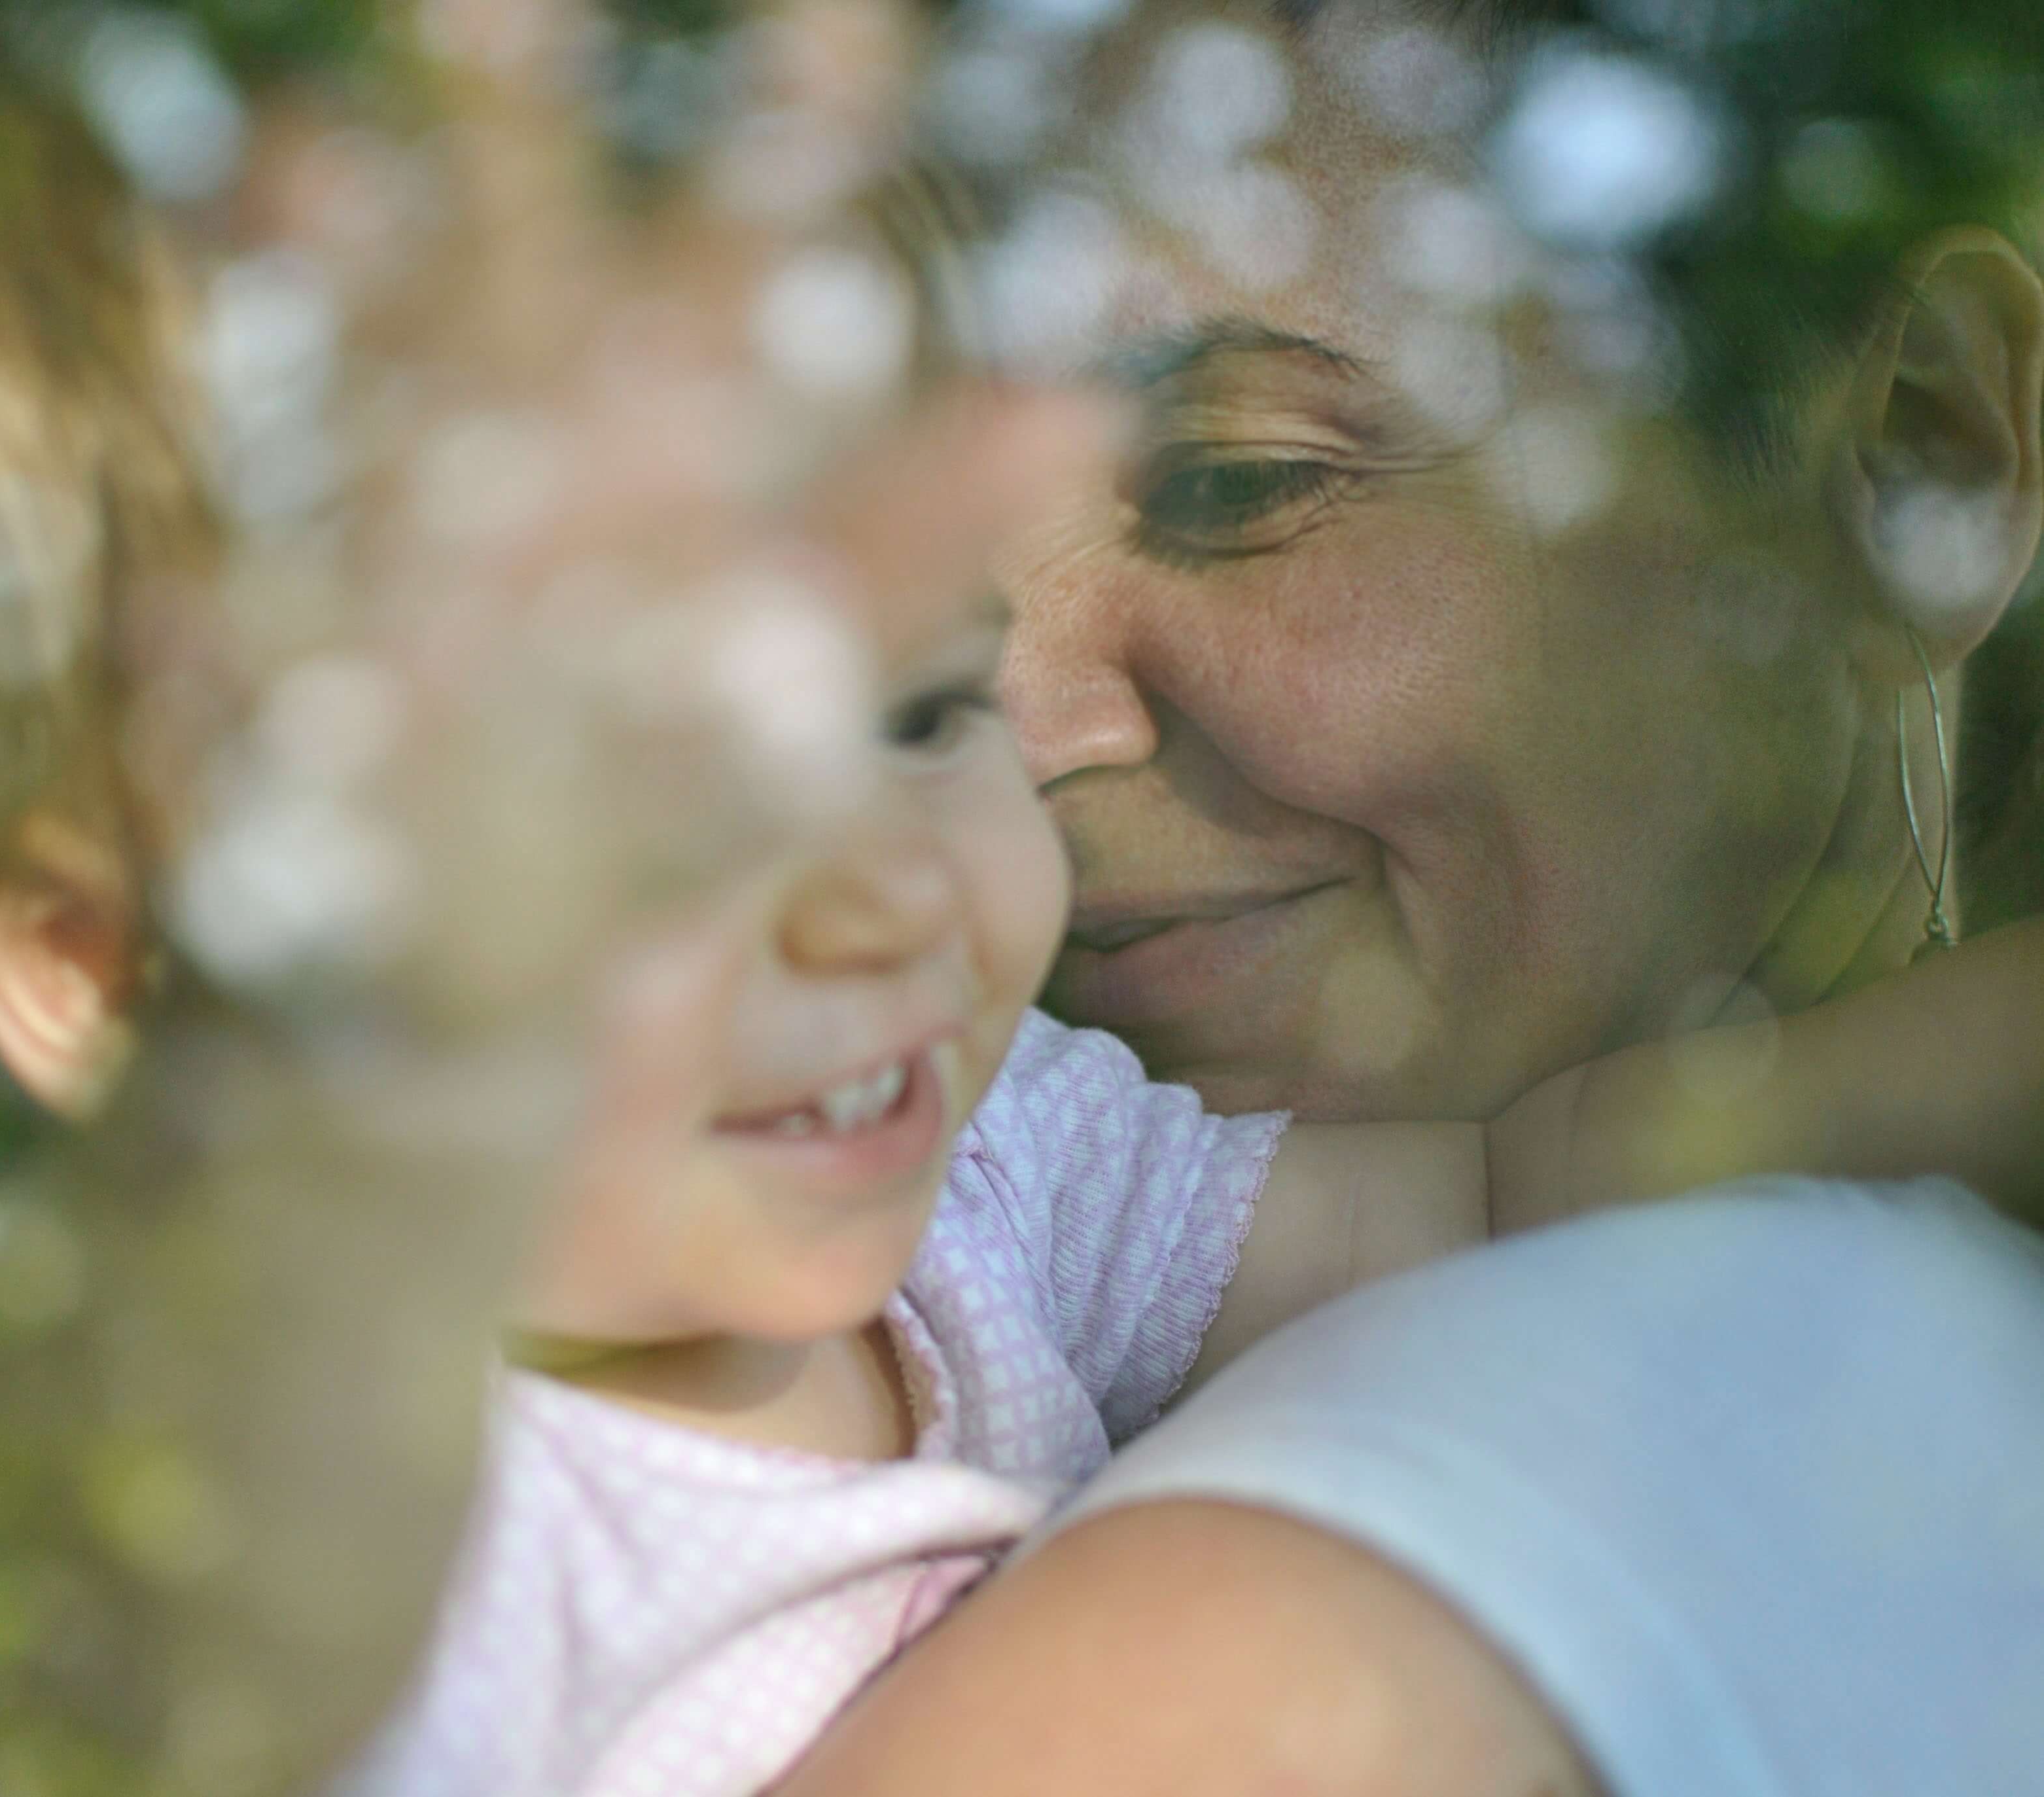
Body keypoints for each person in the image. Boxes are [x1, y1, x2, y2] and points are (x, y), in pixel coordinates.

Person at [0, 24, 2044, 1797]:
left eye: (903, 694)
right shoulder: (189, 1350)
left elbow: (1528, 1182)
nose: (871, 875)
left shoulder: (1000, 1184)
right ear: (117, 985)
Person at [776, 0, 2044, 1790]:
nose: (1017, 713)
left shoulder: (1478, 1537)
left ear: (1916, 467)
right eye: (876, 538)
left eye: (1237, 481)